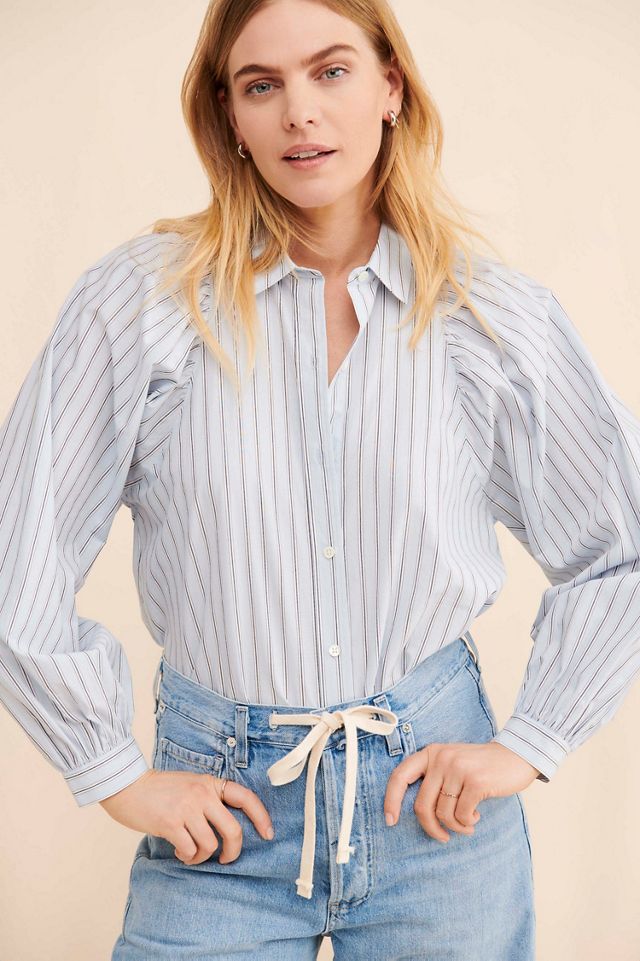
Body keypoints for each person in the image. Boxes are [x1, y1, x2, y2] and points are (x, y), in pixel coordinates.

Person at [1, 0, 639, 958]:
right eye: (262, 85)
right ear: (229, 116)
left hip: (436, 822)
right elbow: (22, 544)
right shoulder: (141, 305)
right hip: (222, 818)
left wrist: (532, 740)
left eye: (331, 70)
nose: (299, 111)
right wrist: (112, 771)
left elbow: (620, 545)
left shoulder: (491, 318)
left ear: (391, 88)